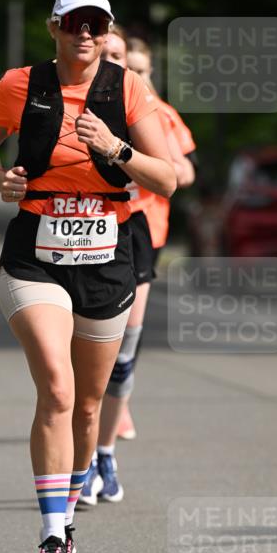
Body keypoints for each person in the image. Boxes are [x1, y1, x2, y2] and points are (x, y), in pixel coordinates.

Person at [0, 0, 175, 553]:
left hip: (108, 255)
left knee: (88, 405)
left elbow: (166, 180)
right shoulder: (20, 84)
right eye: (75, 23)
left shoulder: (127, 87)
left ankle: (70, 521)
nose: (86, 34)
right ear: (54, 27)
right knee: (56, 389)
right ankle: (52, 537)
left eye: (97, 24)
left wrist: (118, 148)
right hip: (35, 253)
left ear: (108, 31)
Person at [81, 29, 196, 505]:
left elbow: (180, 172)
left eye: (120, 57)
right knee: (81, 358)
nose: (114, 64)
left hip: (138, 233)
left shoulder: (153, 110)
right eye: (104, 55)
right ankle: (80, 460)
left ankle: (103, 453)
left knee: (123, 351)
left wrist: (125, 151)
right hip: (80, 232)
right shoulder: (68, 102)